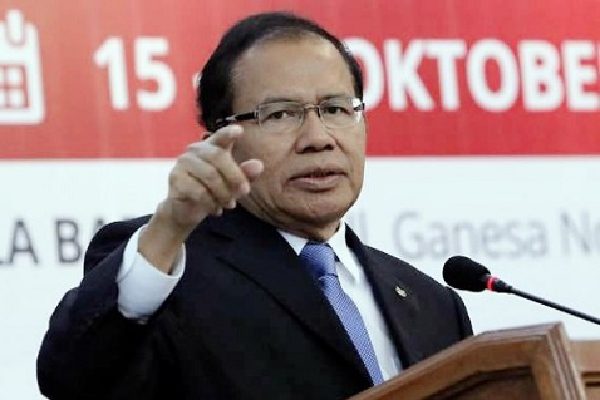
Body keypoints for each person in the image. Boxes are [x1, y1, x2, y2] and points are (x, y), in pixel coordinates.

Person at [37, 12, 472, 400]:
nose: (318, 138)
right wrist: (168, 229)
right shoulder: (167, 267)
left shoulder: (434, 305)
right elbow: (75, 381)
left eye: (336, 109)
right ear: (219, 142)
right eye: (280, 115)